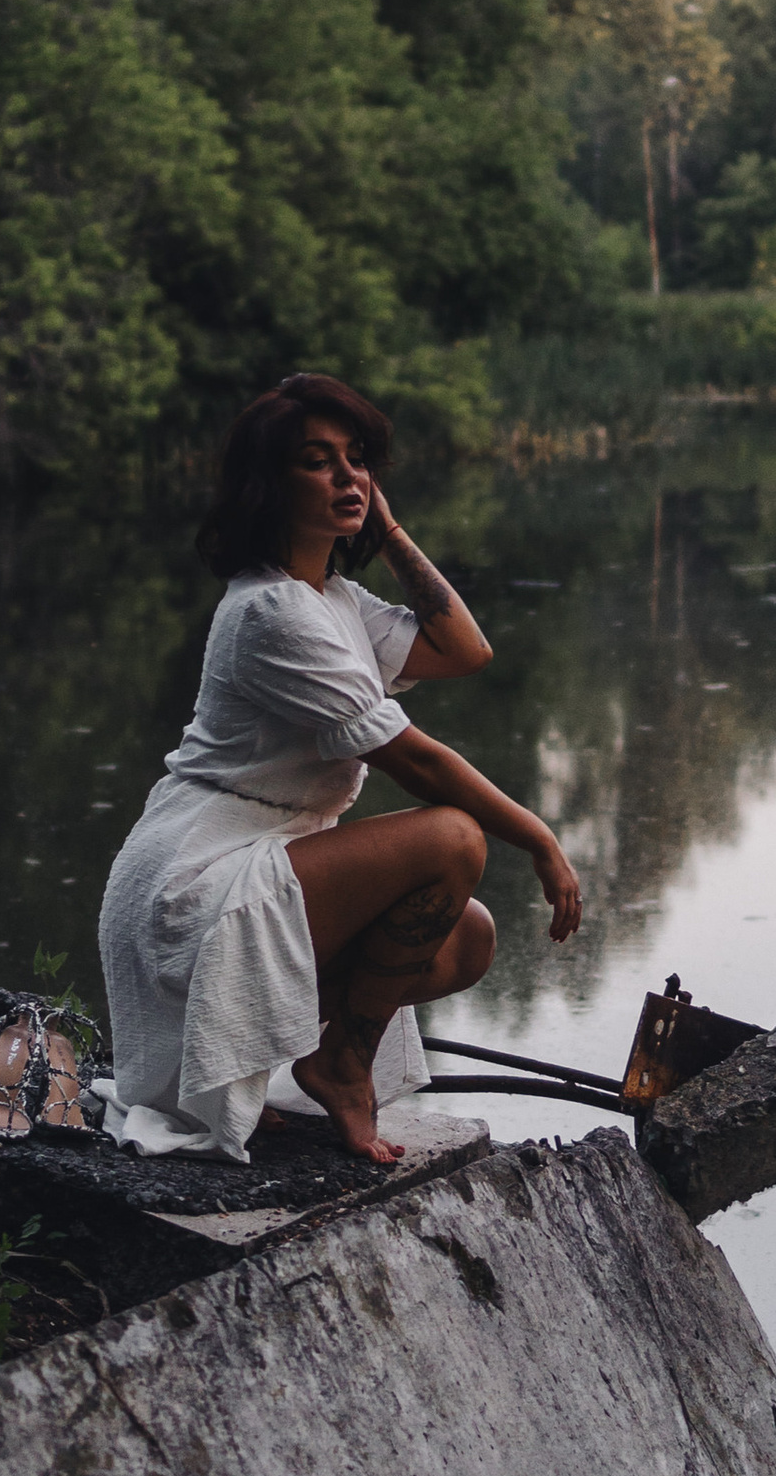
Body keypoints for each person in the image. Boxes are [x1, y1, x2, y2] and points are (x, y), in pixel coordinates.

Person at [95, 372, 583, 1166]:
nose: (348, 475)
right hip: (194, 876)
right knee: (455, 839)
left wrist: (386, 531)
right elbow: (413, 760)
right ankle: (341, 1067)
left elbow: (466, 650)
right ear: (269, 485)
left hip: (254, 860)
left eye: (357, 459)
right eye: (317, 462)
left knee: (466, 940)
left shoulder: (335, 601)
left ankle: (284, 1060)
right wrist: (538, 838)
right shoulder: (271, 612)